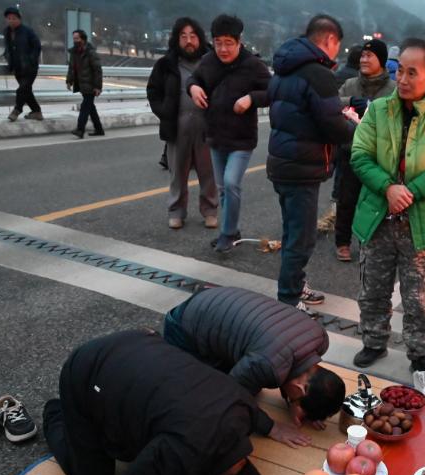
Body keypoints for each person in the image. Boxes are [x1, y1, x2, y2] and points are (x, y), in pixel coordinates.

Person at [43, 329, 263, 475]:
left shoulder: (244, 409)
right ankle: (57, 413)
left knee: (133, 446)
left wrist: (273, 428)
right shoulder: (180, 452)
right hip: (86, 369)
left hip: (141, 341)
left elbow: (256, 413)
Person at [349, 38, 425, 389]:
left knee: (419, 297)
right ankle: (373, 340)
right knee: (373, 288)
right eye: (399, 70)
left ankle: (421, 356)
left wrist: (410, 192)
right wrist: (387, 187)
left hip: (421, 220)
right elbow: (359, 155)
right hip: (378, 217)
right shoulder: (378, 109)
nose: (401, 78)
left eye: (411, 72)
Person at [162, 286, 345, 438]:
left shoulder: (319, 337)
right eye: (295, 398)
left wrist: (295, 403)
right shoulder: (265, 364)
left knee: (251, 386)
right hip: (184, 327)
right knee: (211, 405)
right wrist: (272, 428)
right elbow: (233, 394)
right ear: (299, 389)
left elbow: (287, 356)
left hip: (217, 300)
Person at [267, 15, 356, 312]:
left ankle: (294, 285)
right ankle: (289, 301)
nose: (336, 53)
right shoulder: (318, 74)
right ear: (330, 40)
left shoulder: (284, 68)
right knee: (301, 240)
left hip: (282, 162)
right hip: (301, 167)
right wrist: (355, 128)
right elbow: (332, 125)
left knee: (292, 232)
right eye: (337, 46)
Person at [188, 15, 272, 253]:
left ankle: (227, 233)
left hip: (241, 138)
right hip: (214, 134)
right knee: (223, 188)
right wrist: (193, 87)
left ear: (239, 41)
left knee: (231, 182)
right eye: (218, 43)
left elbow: (273, 90)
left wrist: (251, 98)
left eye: (228, 43)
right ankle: (231, 229)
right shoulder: (208, 61)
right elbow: (195, 78)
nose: (223, 49)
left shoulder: (253, 66)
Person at [147, 18, 219, 231]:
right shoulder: (166, 64)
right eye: (184, 36)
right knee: (177, 173)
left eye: (193, 36)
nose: (189, 41)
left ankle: (210, 211)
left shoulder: (211, 62)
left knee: (209, 173)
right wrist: (164, 112)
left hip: (207, 125)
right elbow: (153, 91)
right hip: (177, 125)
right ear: (177, 39)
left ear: (200, 38)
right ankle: (176, 212)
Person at [334, 38, 395, 262]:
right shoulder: (350, 84)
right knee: (346, 198)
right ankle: (342, 242)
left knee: (373, 201)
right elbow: (330, 103)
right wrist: (349, 100)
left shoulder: (393, 89)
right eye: (362, 56)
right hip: (350, 150)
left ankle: (368, 243)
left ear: (382, 60)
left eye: (370, 56)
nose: (364, 59)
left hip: (379, 155)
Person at [2, 7, 42, 122]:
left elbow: (37, 46)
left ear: (19, 19)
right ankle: (37, 112)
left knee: (21, 90)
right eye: (9, 18)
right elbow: (8, 48)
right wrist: (8, 59)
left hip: (30, 68)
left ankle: (17, 110)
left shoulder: (27, 31)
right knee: (26, 91)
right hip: (17, 68)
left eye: (14, 18)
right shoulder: (6, 32)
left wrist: (31, 60)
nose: (11, 21)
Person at [66, 30, 104, 139]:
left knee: (85, 106)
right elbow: (71, 68)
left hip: (91, 85)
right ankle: (99, 129)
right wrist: (69, 80)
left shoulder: (90, 52)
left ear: (83, 39)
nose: (75, 41)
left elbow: (98, 70)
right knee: (90, 107)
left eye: (77, 38)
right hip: (81, 84)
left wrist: (98, 87)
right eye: (74, 38)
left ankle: (80, 129)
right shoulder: (74, 52)